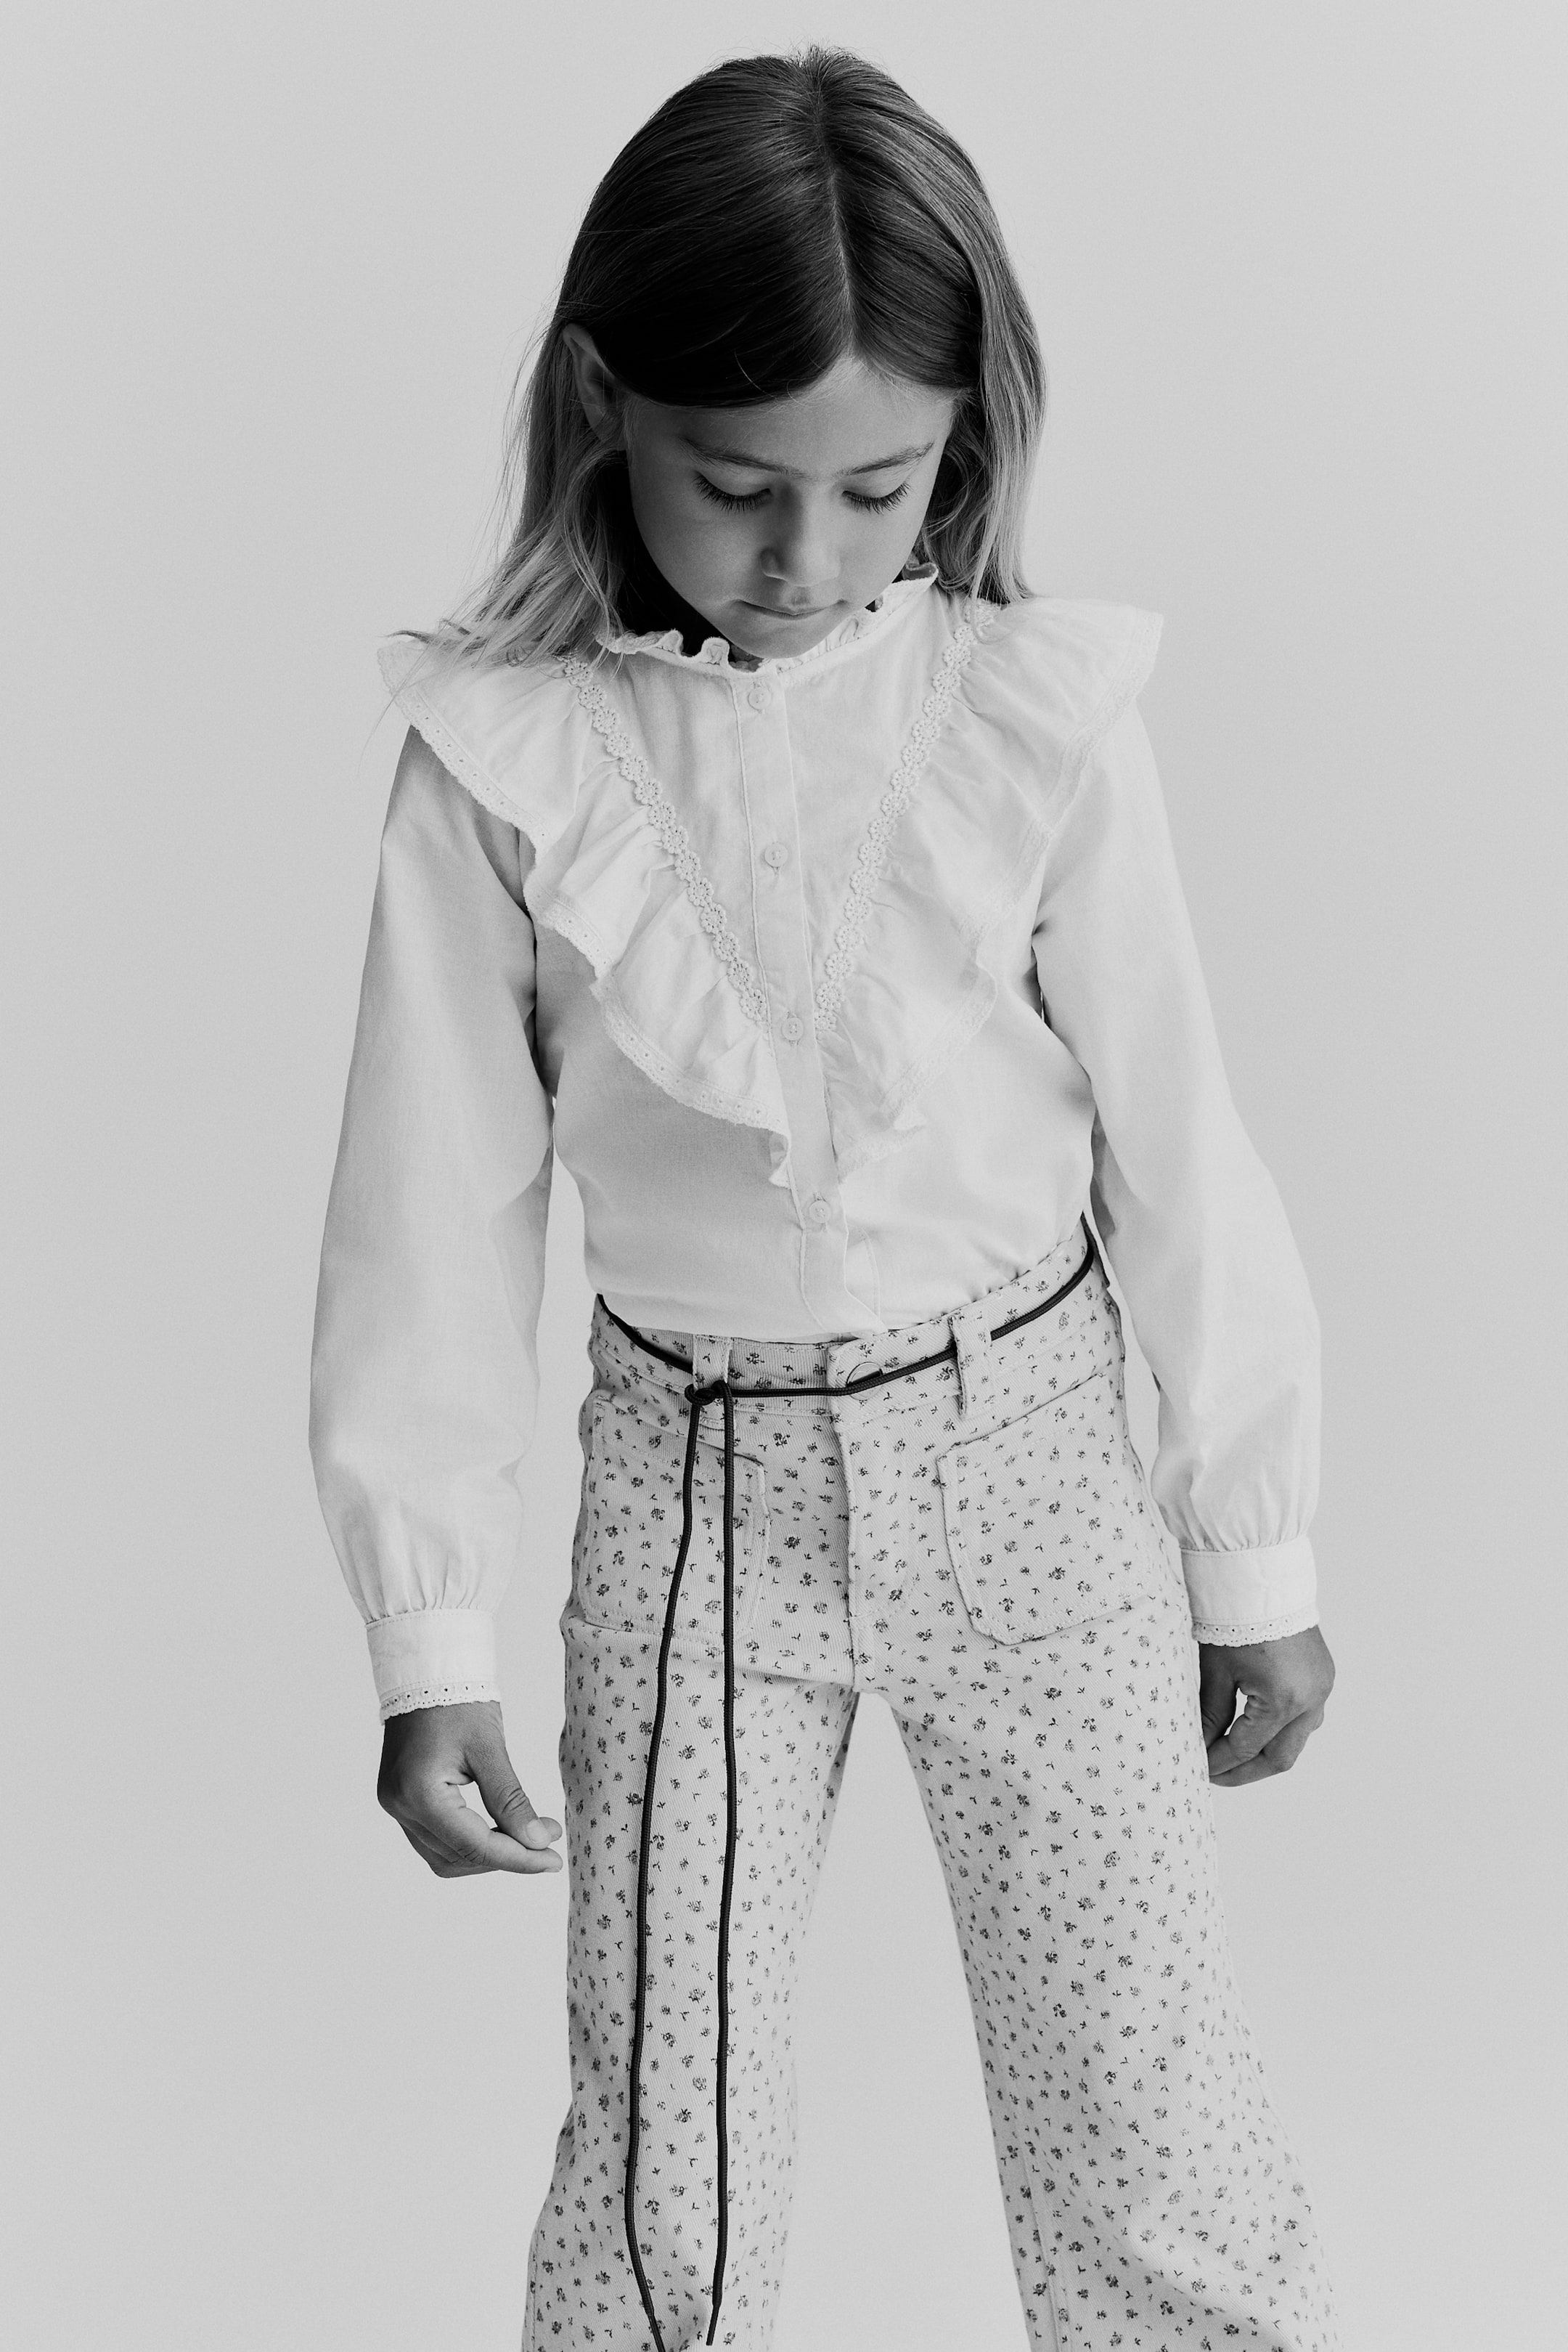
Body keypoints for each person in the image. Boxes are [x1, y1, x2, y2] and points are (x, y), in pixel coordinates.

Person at [310, 45, 1339, 2352]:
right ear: (607, 407)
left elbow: (1178, 1130)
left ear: (963, 446)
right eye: (738, 487)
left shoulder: (1034, 720)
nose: (807, 558)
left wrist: (1253, 1547)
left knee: (1146, 2120)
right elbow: (430, 1209)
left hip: (1033, 1465)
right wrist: (427, 1635)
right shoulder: (501, 762)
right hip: (695, 1494)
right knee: (662, 2161)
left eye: (879, 490)